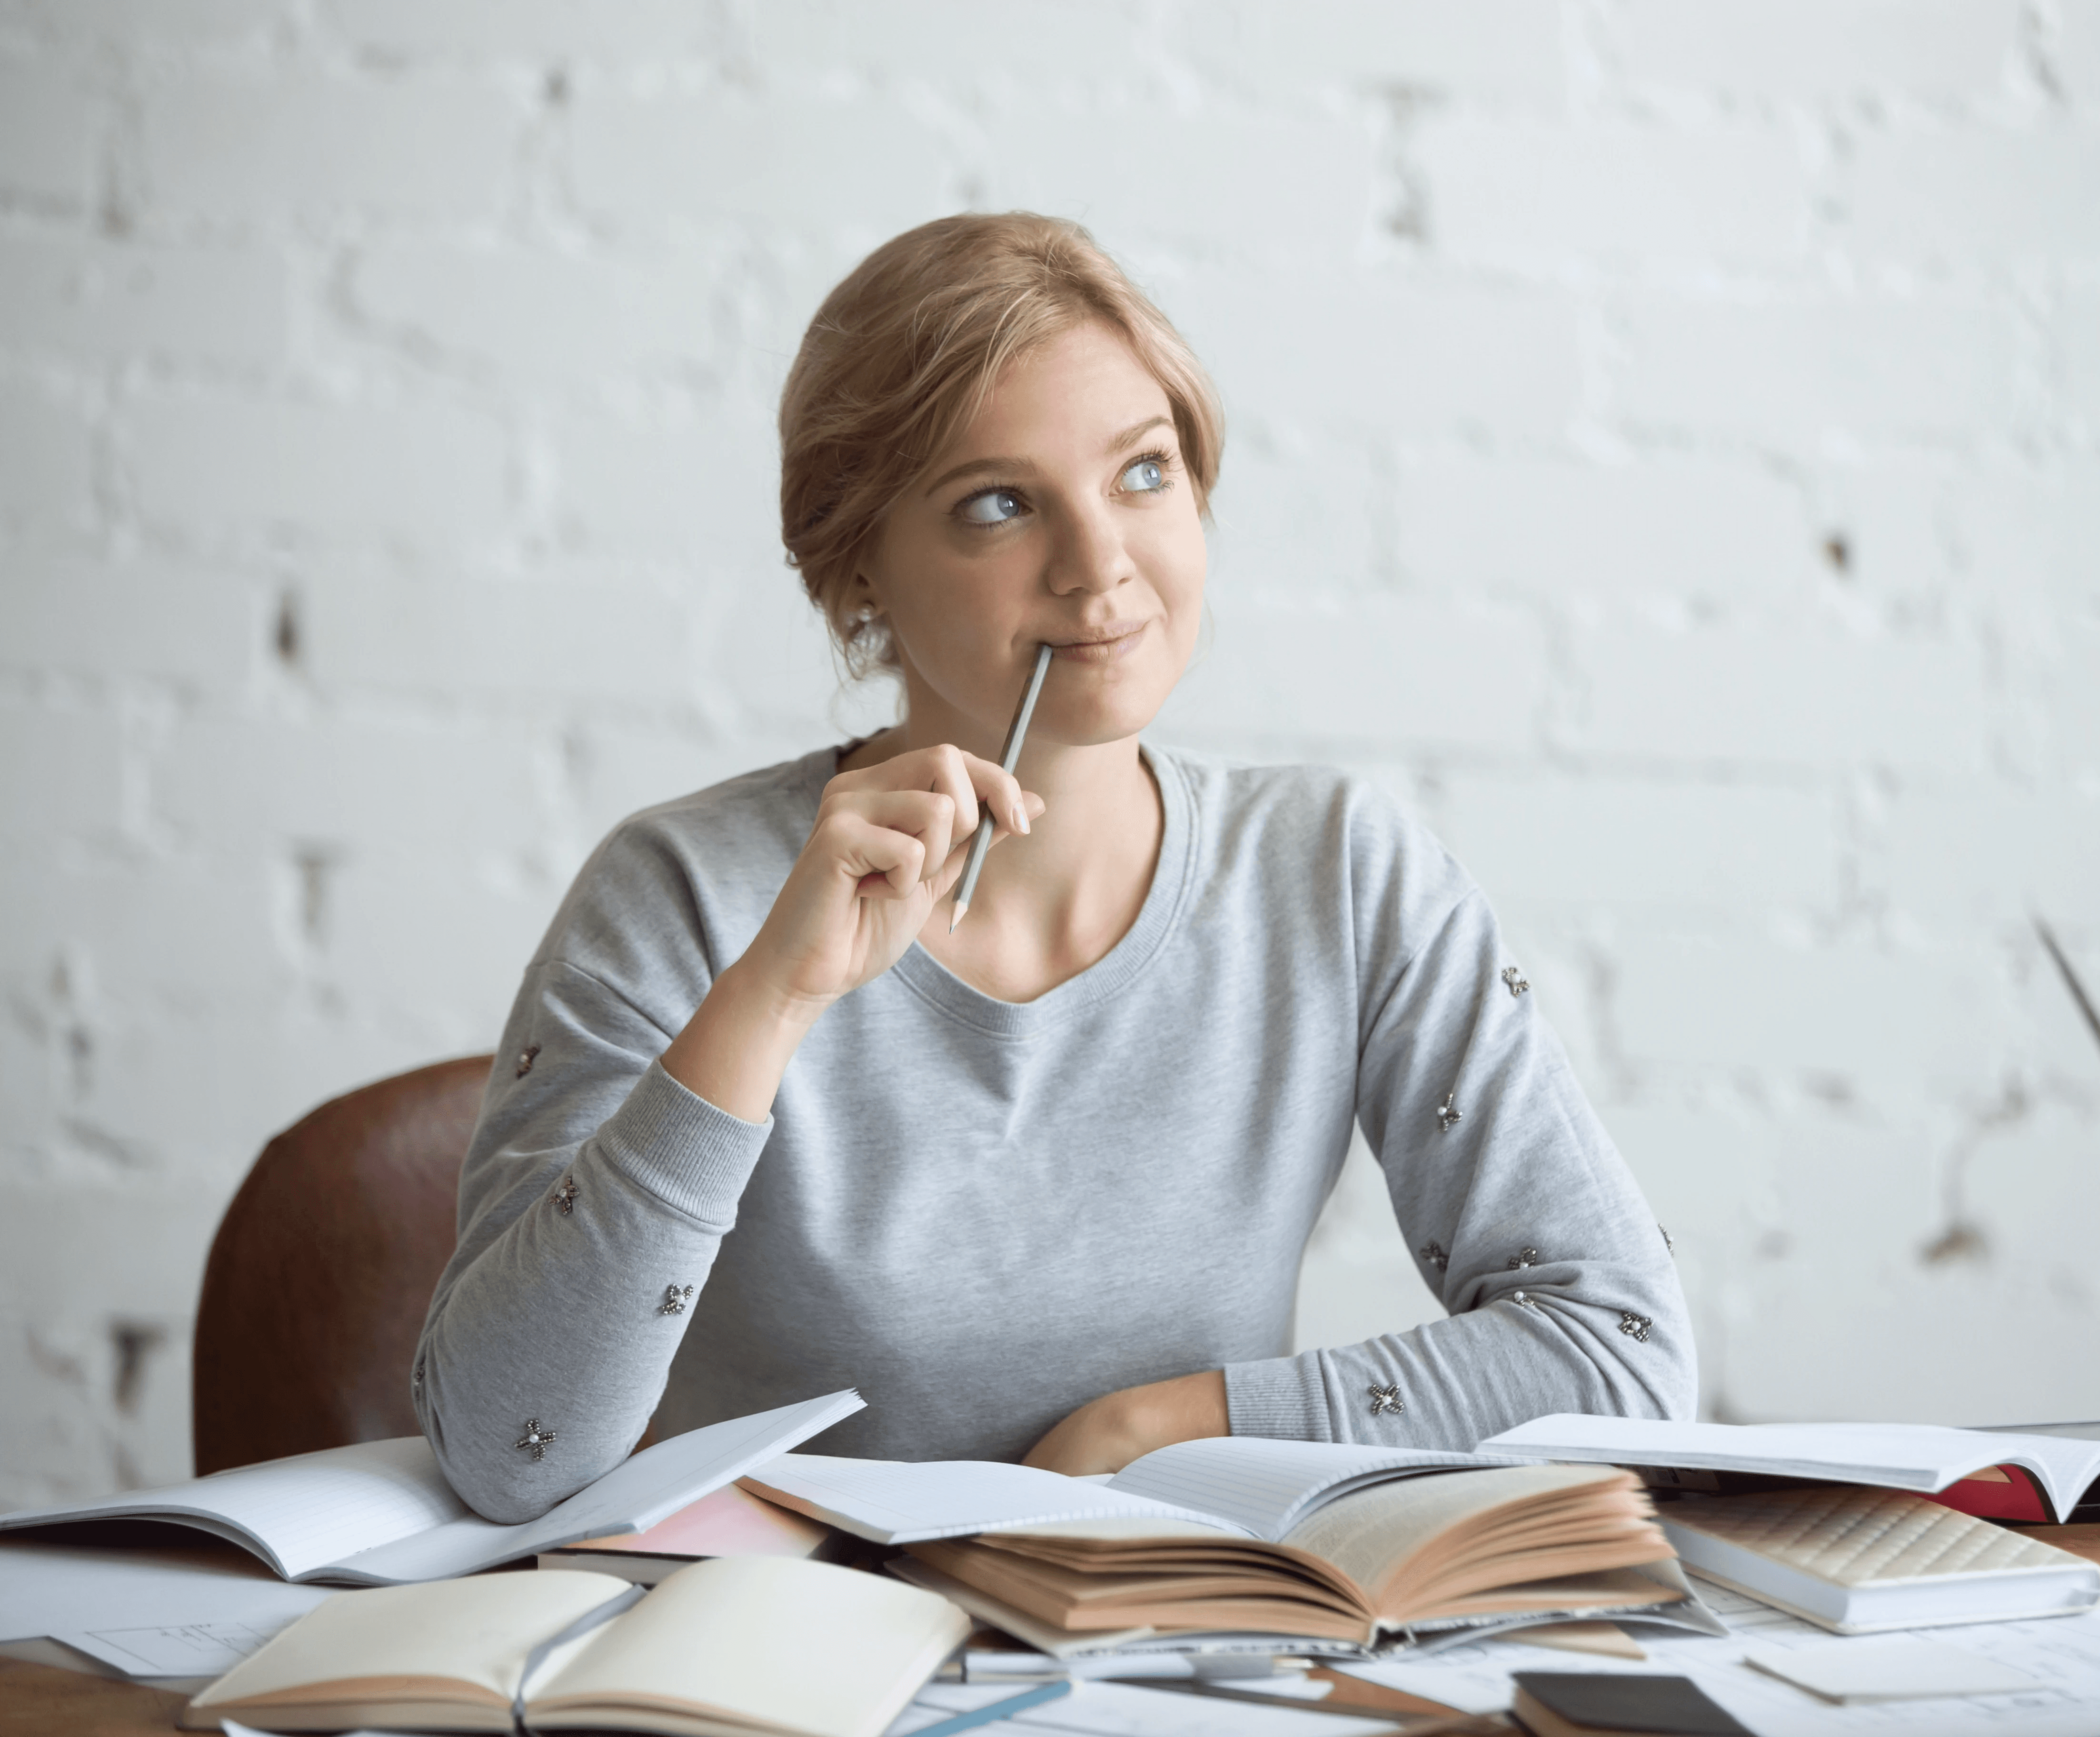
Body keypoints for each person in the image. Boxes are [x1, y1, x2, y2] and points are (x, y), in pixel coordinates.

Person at [413, 212, 1693, 1524]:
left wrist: (1160, 1426)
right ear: (857, 573)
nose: (1100, 566)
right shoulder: (680, 891)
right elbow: (512, 1452)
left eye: (1143, 473)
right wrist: (772, 1003)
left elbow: (1623, 1355)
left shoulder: (1339, 875)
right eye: (999, 505)